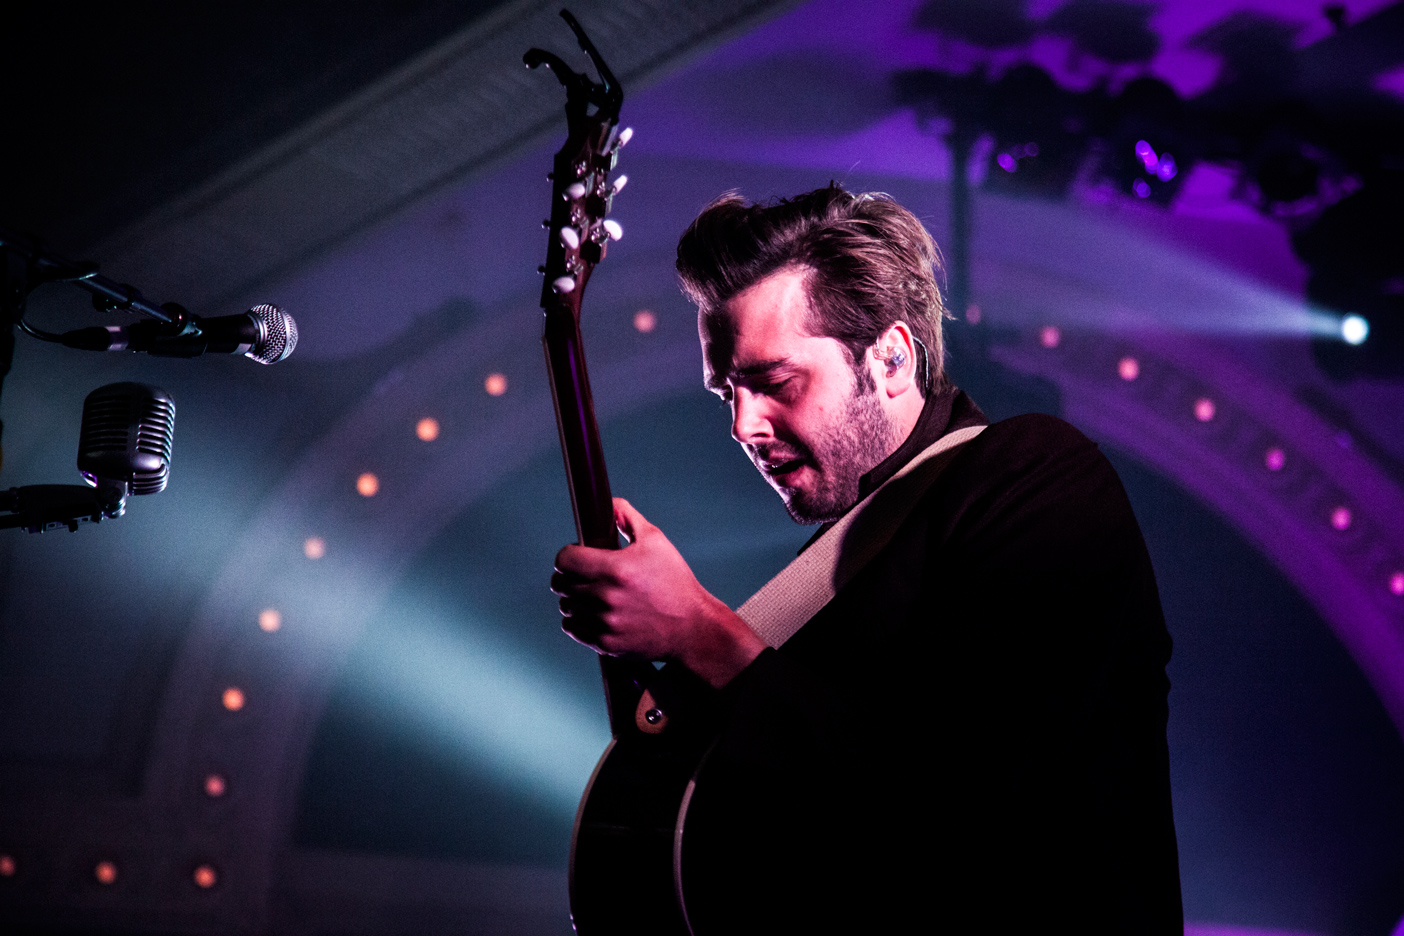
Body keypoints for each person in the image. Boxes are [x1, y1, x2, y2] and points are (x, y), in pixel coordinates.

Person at [552, 184, 1182, 933]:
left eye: (773, 382)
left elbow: (958, 815)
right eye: (728, 393)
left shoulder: (1038, 477)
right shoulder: (828, 574)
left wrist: (701, 635)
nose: (744, 425)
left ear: (889, 358)